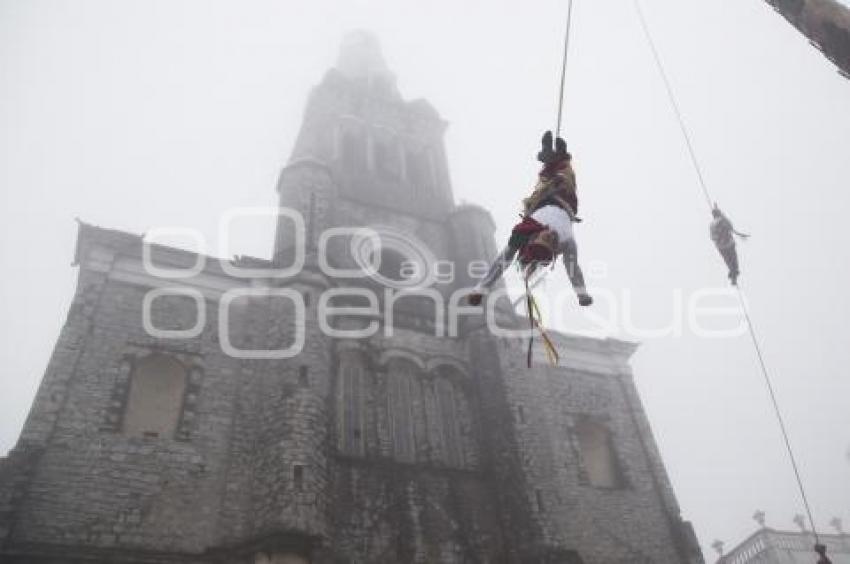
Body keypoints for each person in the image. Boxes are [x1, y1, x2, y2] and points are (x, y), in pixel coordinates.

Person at [468, 131, 592, 307]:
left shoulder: (523, 233)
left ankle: (550, 156)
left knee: (548, 178)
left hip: (542, 200)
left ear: (533, 238)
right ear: (555, 248)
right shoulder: (566, 242)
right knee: (566, 176)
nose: (550, 234)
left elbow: (501, 262)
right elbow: (573, 270)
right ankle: (560, 156)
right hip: (565, 202)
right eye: (552, 240)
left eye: (545, 238)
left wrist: (481, 288)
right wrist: (582, 294)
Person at [710, 205, 749, 285]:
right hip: (729, 244)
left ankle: (733, 276)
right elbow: (731, 227)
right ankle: (734, 276)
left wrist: (718, 239)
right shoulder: (723, 220)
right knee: (733, 261)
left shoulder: (712, 224)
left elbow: (712, 237)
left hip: (721, 247)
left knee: (728, 261)